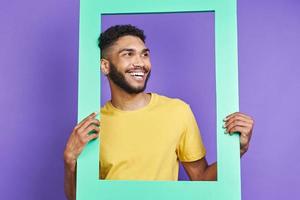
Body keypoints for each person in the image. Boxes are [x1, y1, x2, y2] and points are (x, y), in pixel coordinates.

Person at [63, 25, 254, 200]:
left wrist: (236, 151)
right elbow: (79, 198)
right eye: (128, 54)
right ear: (105, 66)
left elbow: (201, 179)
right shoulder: (93, 124)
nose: (140, 63)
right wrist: (70, 161)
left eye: (144, 54)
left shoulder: (178, 111)